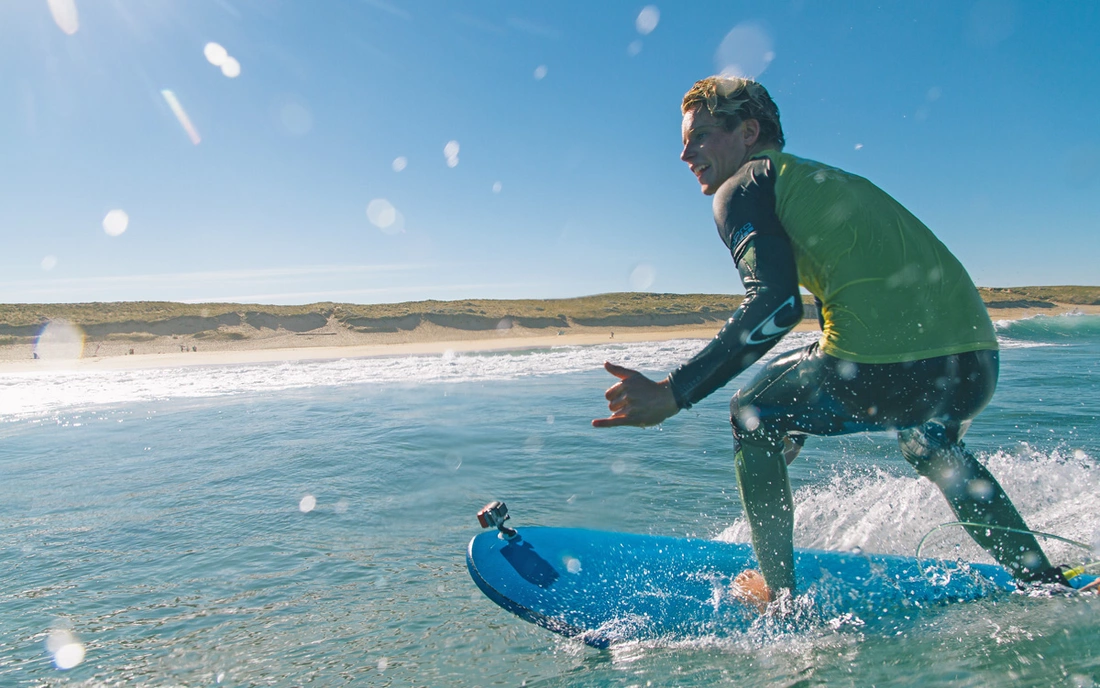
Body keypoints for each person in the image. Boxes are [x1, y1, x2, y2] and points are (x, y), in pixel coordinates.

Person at [592, 75, 1066, 605]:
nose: (685, 153)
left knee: (752, 411)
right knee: (928, 442)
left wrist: (672, 392)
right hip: (975, 367)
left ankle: (779, 597)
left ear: (748, 132)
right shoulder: (819, 180)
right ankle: (1043, 580)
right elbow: (868, 293)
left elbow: (775, 305)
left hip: (893, 367)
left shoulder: (744, 185)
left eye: (700, 135)